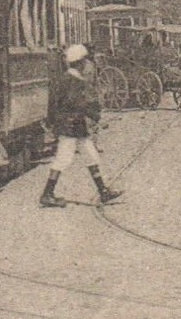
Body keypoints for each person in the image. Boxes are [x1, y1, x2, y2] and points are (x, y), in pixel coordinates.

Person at [43, 43, 123, 207]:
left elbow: (53, 104)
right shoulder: (74, 81)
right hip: (71, 126)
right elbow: (78, 103)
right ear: (79, 62)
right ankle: (47, 194)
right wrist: (95, 116)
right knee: (63, 160)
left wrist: (53, 123)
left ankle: (103, 191)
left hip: (74, 126)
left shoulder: (63, 78)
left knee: (91, 155)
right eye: (84, 61)